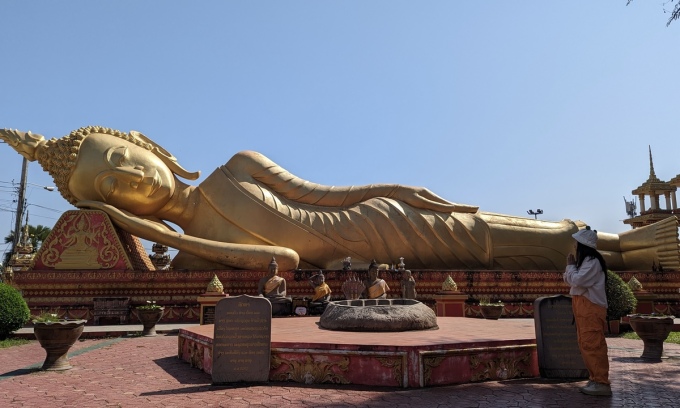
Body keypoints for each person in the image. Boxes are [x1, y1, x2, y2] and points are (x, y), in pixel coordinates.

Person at [1, 126, 678, 271]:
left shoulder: (236, 166)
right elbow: (286, 259)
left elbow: (323, 194)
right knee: (486, 246)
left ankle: (623, 244)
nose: (131, 181)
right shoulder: (191, 258)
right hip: (361, 256)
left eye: (123, 161)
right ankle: (632, 255)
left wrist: (393, 188)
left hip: (372, 219)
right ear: (114, 210)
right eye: (112, 191)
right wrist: (144, 230)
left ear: (146, 143)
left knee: (480, 228)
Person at [564, 226, 611, 397]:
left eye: (576, 243)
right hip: (583, 305)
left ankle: (601, 381)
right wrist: (571, 270)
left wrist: (570, 267)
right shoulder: (585, 262)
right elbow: (572, 281)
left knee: (593, 343)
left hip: (590, 307)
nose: (574, 246)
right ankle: (595, 377)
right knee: (585, 343)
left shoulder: (592, 261)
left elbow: (577, 280)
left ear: (582, 244)